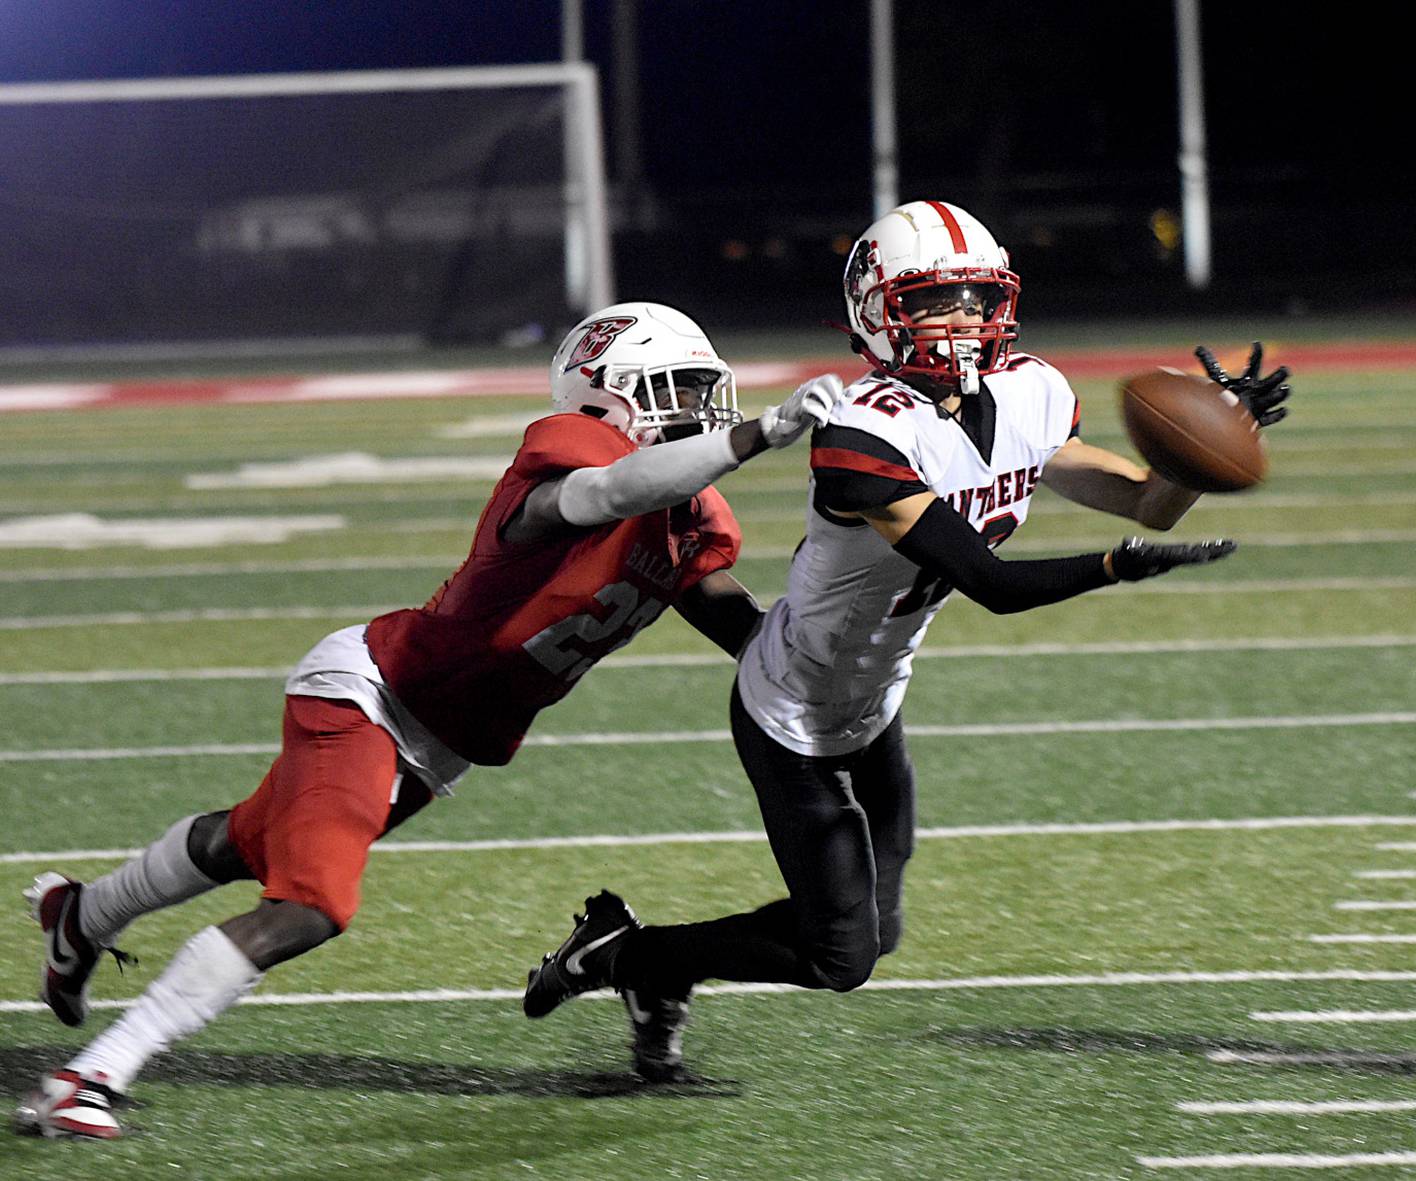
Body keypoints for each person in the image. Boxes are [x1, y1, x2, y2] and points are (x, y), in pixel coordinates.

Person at [14, 301, 842, 1140]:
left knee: (249, 839)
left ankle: (82, 915)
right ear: (606, 399)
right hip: (373, 690)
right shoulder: (574, 450)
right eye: (678, 391)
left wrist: (853, 619)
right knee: (309, 903)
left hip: (439, 740)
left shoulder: (694, 522)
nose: (703, 413)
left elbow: (753, 636)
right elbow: (609, 491)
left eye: (709, 394)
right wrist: (759, 436)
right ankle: (93, 1074)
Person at [521, 201, 1292, 1082]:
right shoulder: (863, 431)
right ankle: (631, 957)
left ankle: (646, 962)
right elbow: (994, 586)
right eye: (934, 300)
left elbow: (1150, 500)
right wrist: (1118, 567)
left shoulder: (1031, 390)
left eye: (977, 296)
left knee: (875, 929)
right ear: (878, 312)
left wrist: (1211, 448)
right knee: (840, 957)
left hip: (877, 696)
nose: (963, 319)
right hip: (791, 714)